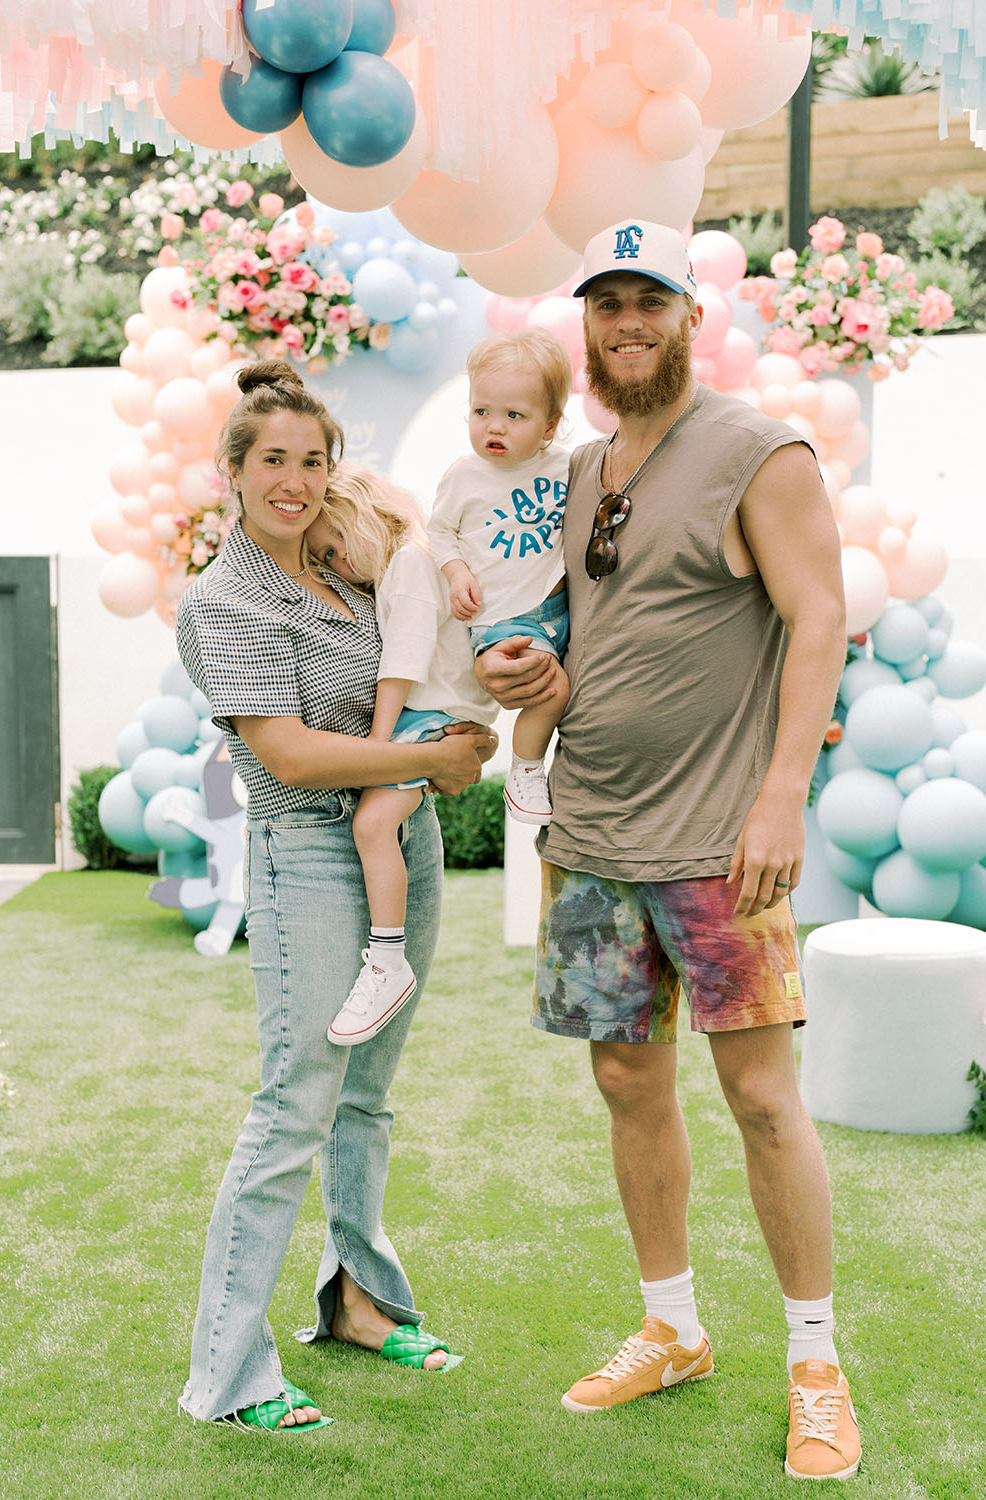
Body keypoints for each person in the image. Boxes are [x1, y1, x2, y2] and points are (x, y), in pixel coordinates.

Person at [475, 221, 861, 1482]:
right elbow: (602, 627)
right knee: (628, 1087)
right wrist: (534, 666)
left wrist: (783, 795)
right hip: (590, 837)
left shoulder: (759, 449)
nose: (625, 325)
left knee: (759, 1097)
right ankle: (674, 1328)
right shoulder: (586, 470)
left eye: (648, 303)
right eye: (605, 307)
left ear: (690, 316)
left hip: (719, 845)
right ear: (584, 326)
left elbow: (818, 618)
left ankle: (814, 1364)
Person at [175, 360, 496, 1433]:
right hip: (309, 854)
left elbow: (419, 665)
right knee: (294, 1107)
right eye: (274, 459)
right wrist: (422, 764)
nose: (297, 480)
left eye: (314, 460)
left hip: (405, 839)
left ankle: (359, 1301)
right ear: (234, 469)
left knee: (368, 1095)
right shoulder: (223, 599)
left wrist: (454, 743)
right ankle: (227, 1376)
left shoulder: (348, 575)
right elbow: (296, 758)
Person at [303, 466, 499, 1046]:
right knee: (379, 823)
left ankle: (388, 960)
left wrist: (378, 749)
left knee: (372, 819)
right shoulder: (408, 567)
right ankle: (388, 956)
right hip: (434, 715)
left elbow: (401, 667)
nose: (340, 567)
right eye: (327, 563)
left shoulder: (412, 563)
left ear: (360, 514)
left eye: (335, 549)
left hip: (428, 717)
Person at [427, 328, 573, 826]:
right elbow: (439, 530)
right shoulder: (463, 476)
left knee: (571, 685)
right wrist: (456, 569)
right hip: (502, 617)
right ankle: (526, 770)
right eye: (482, 411)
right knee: (551, 690)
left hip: (561, 610)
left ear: (550, 425)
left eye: (515, 416)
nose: (495, 426)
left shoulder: (569, 466)